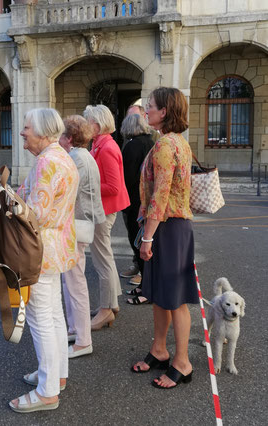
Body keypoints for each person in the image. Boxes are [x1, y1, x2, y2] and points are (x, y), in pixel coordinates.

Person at [10, 108, 79, 413]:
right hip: (57, 247)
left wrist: (10, 204)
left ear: (42, 132)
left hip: (39, 250)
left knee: (42, 320)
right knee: (53, 316)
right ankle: (56, 376)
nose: (23, 132)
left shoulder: (46, 162)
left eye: (26, 127)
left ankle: (48, 390)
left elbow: (33, 215)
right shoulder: (62, 157)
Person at [131, 87, 198, 389]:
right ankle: (160, 349)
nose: (146, 109)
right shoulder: (177, 142)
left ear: (165, 112)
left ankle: (182, 362)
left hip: (166, 227)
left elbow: (160, 195)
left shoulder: (164, 146)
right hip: (172, 226)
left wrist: (147, 238)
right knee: (160, 294)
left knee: (174, 299)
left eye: (151, 106)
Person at [60, 115, 105, 358]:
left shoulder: (77, 158)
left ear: (68, 138)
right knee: (72, 280)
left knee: (75, 282)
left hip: (77, 226)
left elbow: (65, 192)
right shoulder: (82, 156)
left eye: (60, 134)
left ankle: (83, 340)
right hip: (81, 224)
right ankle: (76, 329)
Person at [83, 104, 130, 330]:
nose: (84, 125)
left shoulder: (107, 147)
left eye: (87, 121)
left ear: (97, 124)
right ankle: (111, 303)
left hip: (104, 209)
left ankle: (106, 308)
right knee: (104, 257)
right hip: (103, 208)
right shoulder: (101, 144)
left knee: (102, 260)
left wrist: (85, 185)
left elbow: (113, 186)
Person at [120, 104, 158, 285]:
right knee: (143, 238)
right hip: (147, 198)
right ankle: (144, 274)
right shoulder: (150, 142)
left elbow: (126, 178)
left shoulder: (131, 146)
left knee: (135, 236)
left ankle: (144, 278)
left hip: (133, 199)